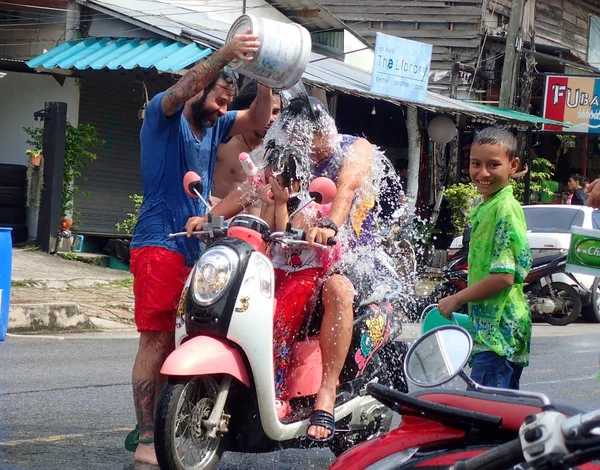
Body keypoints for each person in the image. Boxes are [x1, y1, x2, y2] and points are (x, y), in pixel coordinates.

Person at [127, 31, 274, 466]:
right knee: (156, 340)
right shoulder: (163, 117)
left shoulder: (216, 125)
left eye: (230, 100)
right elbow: (181, 91)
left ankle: (175, 419)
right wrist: (227, 53)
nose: (225, 107)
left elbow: (258, 119)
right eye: (220, 98)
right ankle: (147, 436)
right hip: (160, 244)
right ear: (200, 89)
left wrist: (265, 78)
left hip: (200, 249)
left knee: (198, 334)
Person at [437, 126, 533, 391]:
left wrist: (457, 298)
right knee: (493, 416)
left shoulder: (504, 209)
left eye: (493, 165)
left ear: (513, 165)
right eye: (476, 164)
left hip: (500, 334)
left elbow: (503, 277)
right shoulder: (487, 206)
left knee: (485, 417)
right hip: (489, 332)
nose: (483, 173)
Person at [258, 143, 339, 400]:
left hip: (303, 274)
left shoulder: (307, 206)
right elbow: (264, 235)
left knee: (278, 324)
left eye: (276, 178)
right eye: (268, 176)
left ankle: (277, 390)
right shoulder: (275, 199)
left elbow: (287, 238)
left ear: (295, 182)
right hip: (277, 270)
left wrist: (280, 204)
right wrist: (267, 204)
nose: (270, 182)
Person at [211, 80, 282, 214]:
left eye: (276, 111)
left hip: (255, 227)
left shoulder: (277, 152)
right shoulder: (223, 141)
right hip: (217, 222)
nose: (271, 118)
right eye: (267, 111)